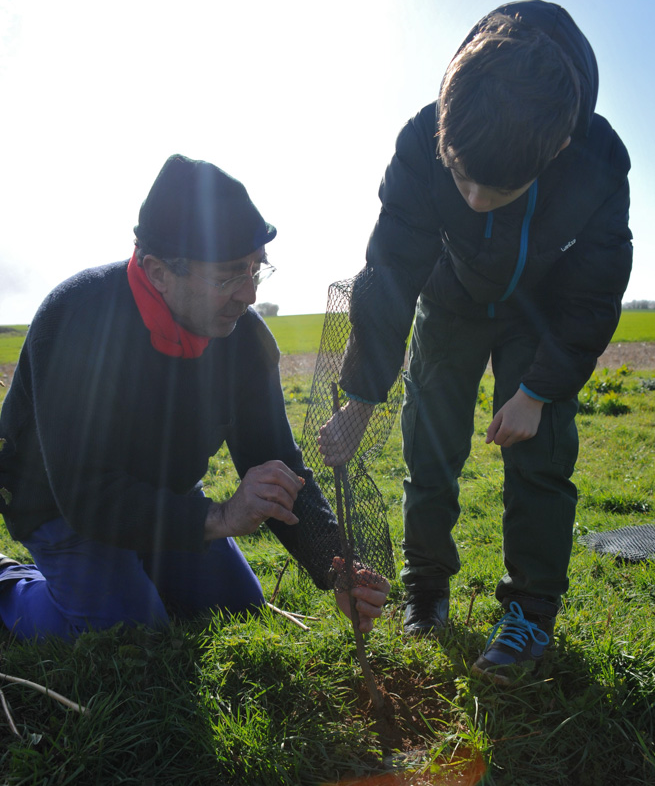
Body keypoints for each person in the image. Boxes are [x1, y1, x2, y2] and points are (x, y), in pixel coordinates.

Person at [318, 0, 632, 683]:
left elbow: (590, 294)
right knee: (429, 448)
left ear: (555, 150)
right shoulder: (418, 140)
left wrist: (535, 391)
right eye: (458, 175)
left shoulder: (598, 163)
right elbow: (392, 269)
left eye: (497, 189)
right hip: (449, 301)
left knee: (539, 458)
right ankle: (424, 587)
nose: (470, 199)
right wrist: (361, 399)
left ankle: (528, 613)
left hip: (539, 314)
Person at [0, 154, 388, 641]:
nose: (248, 295)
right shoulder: (76, 322)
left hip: (164, 493)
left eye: (255, 270)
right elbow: (85, 495)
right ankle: (9, 586)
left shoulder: (244, 340)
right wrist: (220, 517)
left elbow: (276, 463)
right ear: (159, 271)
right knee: (131, 635)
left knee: (237, 608)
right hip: (62, 506)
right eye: (228, 275)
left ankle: (136, 565)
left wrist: (335, 565)